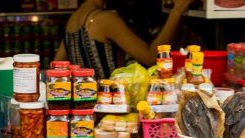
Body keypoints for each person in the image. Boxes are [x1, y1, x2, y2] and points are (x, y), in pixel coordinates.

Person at [54, 0, 192, 80]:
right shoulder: (104, 19)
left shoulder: (73, 19)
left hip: (84, 103)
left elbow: (56, 64)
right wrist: (177, 11)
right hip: (110, 101)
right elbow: (150, 57)